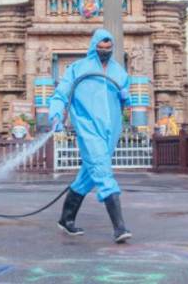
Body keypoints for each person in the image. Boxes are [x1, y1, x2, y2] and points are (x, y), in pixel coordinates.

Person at [49, 29, 132, 244]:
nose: (104, 51)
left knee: (87, 176)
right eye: (100, 48)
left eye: (108, 48)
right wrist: (56, 114)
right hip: (88, 128)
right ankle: (119, 227)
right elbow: (61, 93)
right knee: (103, 172)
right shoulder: (78, 69)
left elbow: (125, 102)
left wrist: (126, 97)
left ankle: (66, 219)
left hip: (111, 130)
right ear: (94, 46)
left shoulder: (119, 72)